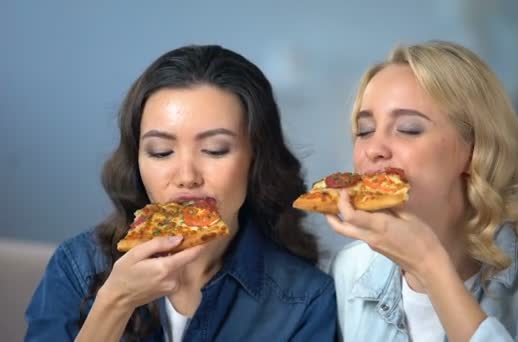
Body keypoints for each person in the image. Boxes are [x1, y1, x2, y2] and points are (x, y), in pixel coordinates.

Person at [26, 45, 336, 341]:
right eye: (161, 152)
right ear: (137, 161)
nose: (187, 177)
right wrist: (115, 303)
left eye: (215, 150)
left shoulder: (306, 300)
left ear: (256, 159)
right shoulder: (77, 266)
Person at [328, 40, 518, 341]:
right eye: (365, 131)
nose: (374, 150)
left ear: (475, 148)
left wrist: (429, 265)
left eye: (409, 128)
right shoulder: (350, 269)